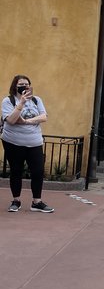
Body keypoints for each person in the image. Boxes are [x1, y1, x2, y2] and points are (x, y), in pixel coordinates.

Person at [1, 74, 54, 213]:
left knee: (38, 171)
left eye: (26, 84)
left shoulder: (37, 100)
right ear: (15, 86)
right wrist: (21, 103)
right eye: (21, 84)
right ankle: (16, 201)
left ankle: (37, 202)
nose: (24, 86)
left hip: (34, 142)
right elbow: (11, 120)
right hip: (13, 142)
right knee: (16, 171)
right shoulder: (8, 101)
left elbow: (44, 116)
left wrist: (26, 121)